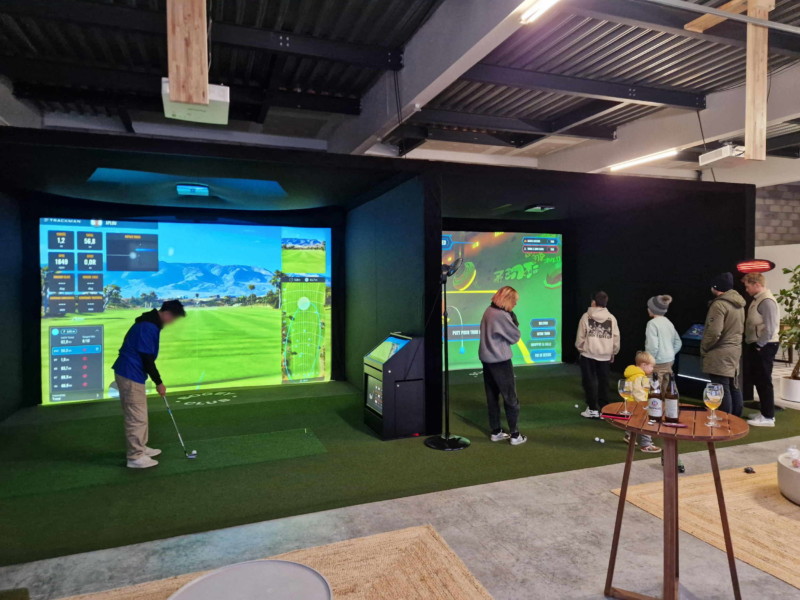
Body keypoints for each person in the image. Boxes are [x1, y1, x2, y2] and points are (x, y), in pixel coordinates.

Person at [112, 300, 186, 468]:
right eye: (173, 318)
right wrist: (158, 382)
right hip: (130, 373)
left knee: (139, 414)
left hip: (132, 373)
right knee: (136, 417)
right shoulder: (148, 327)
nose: (172, 322)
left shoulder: (150, 323)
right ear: (167, 314)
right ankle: (135, 457)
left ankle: (141, 447)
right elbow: (147, 358)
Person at [479, 286, 527, 446]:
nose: (515, 304)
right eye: (514, 301)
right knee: (510, 397)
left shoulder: (488, 311)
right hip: (500, 361)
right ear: (507, 300)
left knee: (492, 397)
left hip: (487, 360)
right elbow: (515, 337)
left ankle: (496, 431)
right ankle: (515, 435)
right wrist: (511, 317)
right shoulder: (501, 315)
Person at [701, 273, 745, 417]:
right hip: (735, 349)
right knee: (733, 384)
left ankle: (724, 419)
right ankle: (736, 419)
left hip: (720, 351)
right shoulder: (739, 304)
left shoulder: (719, 304)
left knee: (720, 386)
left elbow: (714, 332)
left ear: (716, 287)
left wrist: (705, 347)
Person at [743, 273, 780, 427]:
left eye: (747, 286)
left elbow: (770, 328)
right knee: (759, 379)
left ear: (757, 284)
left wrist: (759, 345)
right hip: (759, 344)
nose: (746, 289)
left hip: (765, 346)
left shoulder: (766, 301)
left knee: (764, 381)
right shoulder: (758, 299)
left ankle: (768, 417)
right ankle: (764, 412)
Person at [576, 291, 620, 418]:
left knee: (589, 381)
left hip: (588, 354)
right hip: (605, 355)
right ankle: (604, 409)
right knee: (604, 382)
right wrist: (613, 352)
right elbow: (616, 338)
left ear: (594, 302)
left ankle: (592, 409)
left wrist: (581, 349)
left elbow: (580, 337)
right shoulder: (611, 318)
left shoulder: (586, 316)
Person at [623, 351, 661, 453]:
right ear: (644, 365)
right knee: (646, 422)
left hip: (631, 404)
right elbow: (638, 393)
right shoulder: (639, 377)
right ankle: (646, 444)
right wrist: (645, 405)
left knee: (633, 421)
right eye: (651, 366)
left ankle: (629, 436)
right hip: (638, 404)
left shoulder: (635, 375)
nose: (652, 369)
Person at [644, 295, 682, 379]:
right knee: (666, 384)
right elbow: (678, 342)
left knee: (654, 385)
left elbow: (652, 346)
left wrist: (648, 361)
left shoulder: (652, 324)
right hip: (670, 361)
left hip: (657, 363)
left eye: (649, 307)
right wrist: (670, 354)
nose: (647, 309)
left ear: (652, 309)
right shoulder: (668, 322)